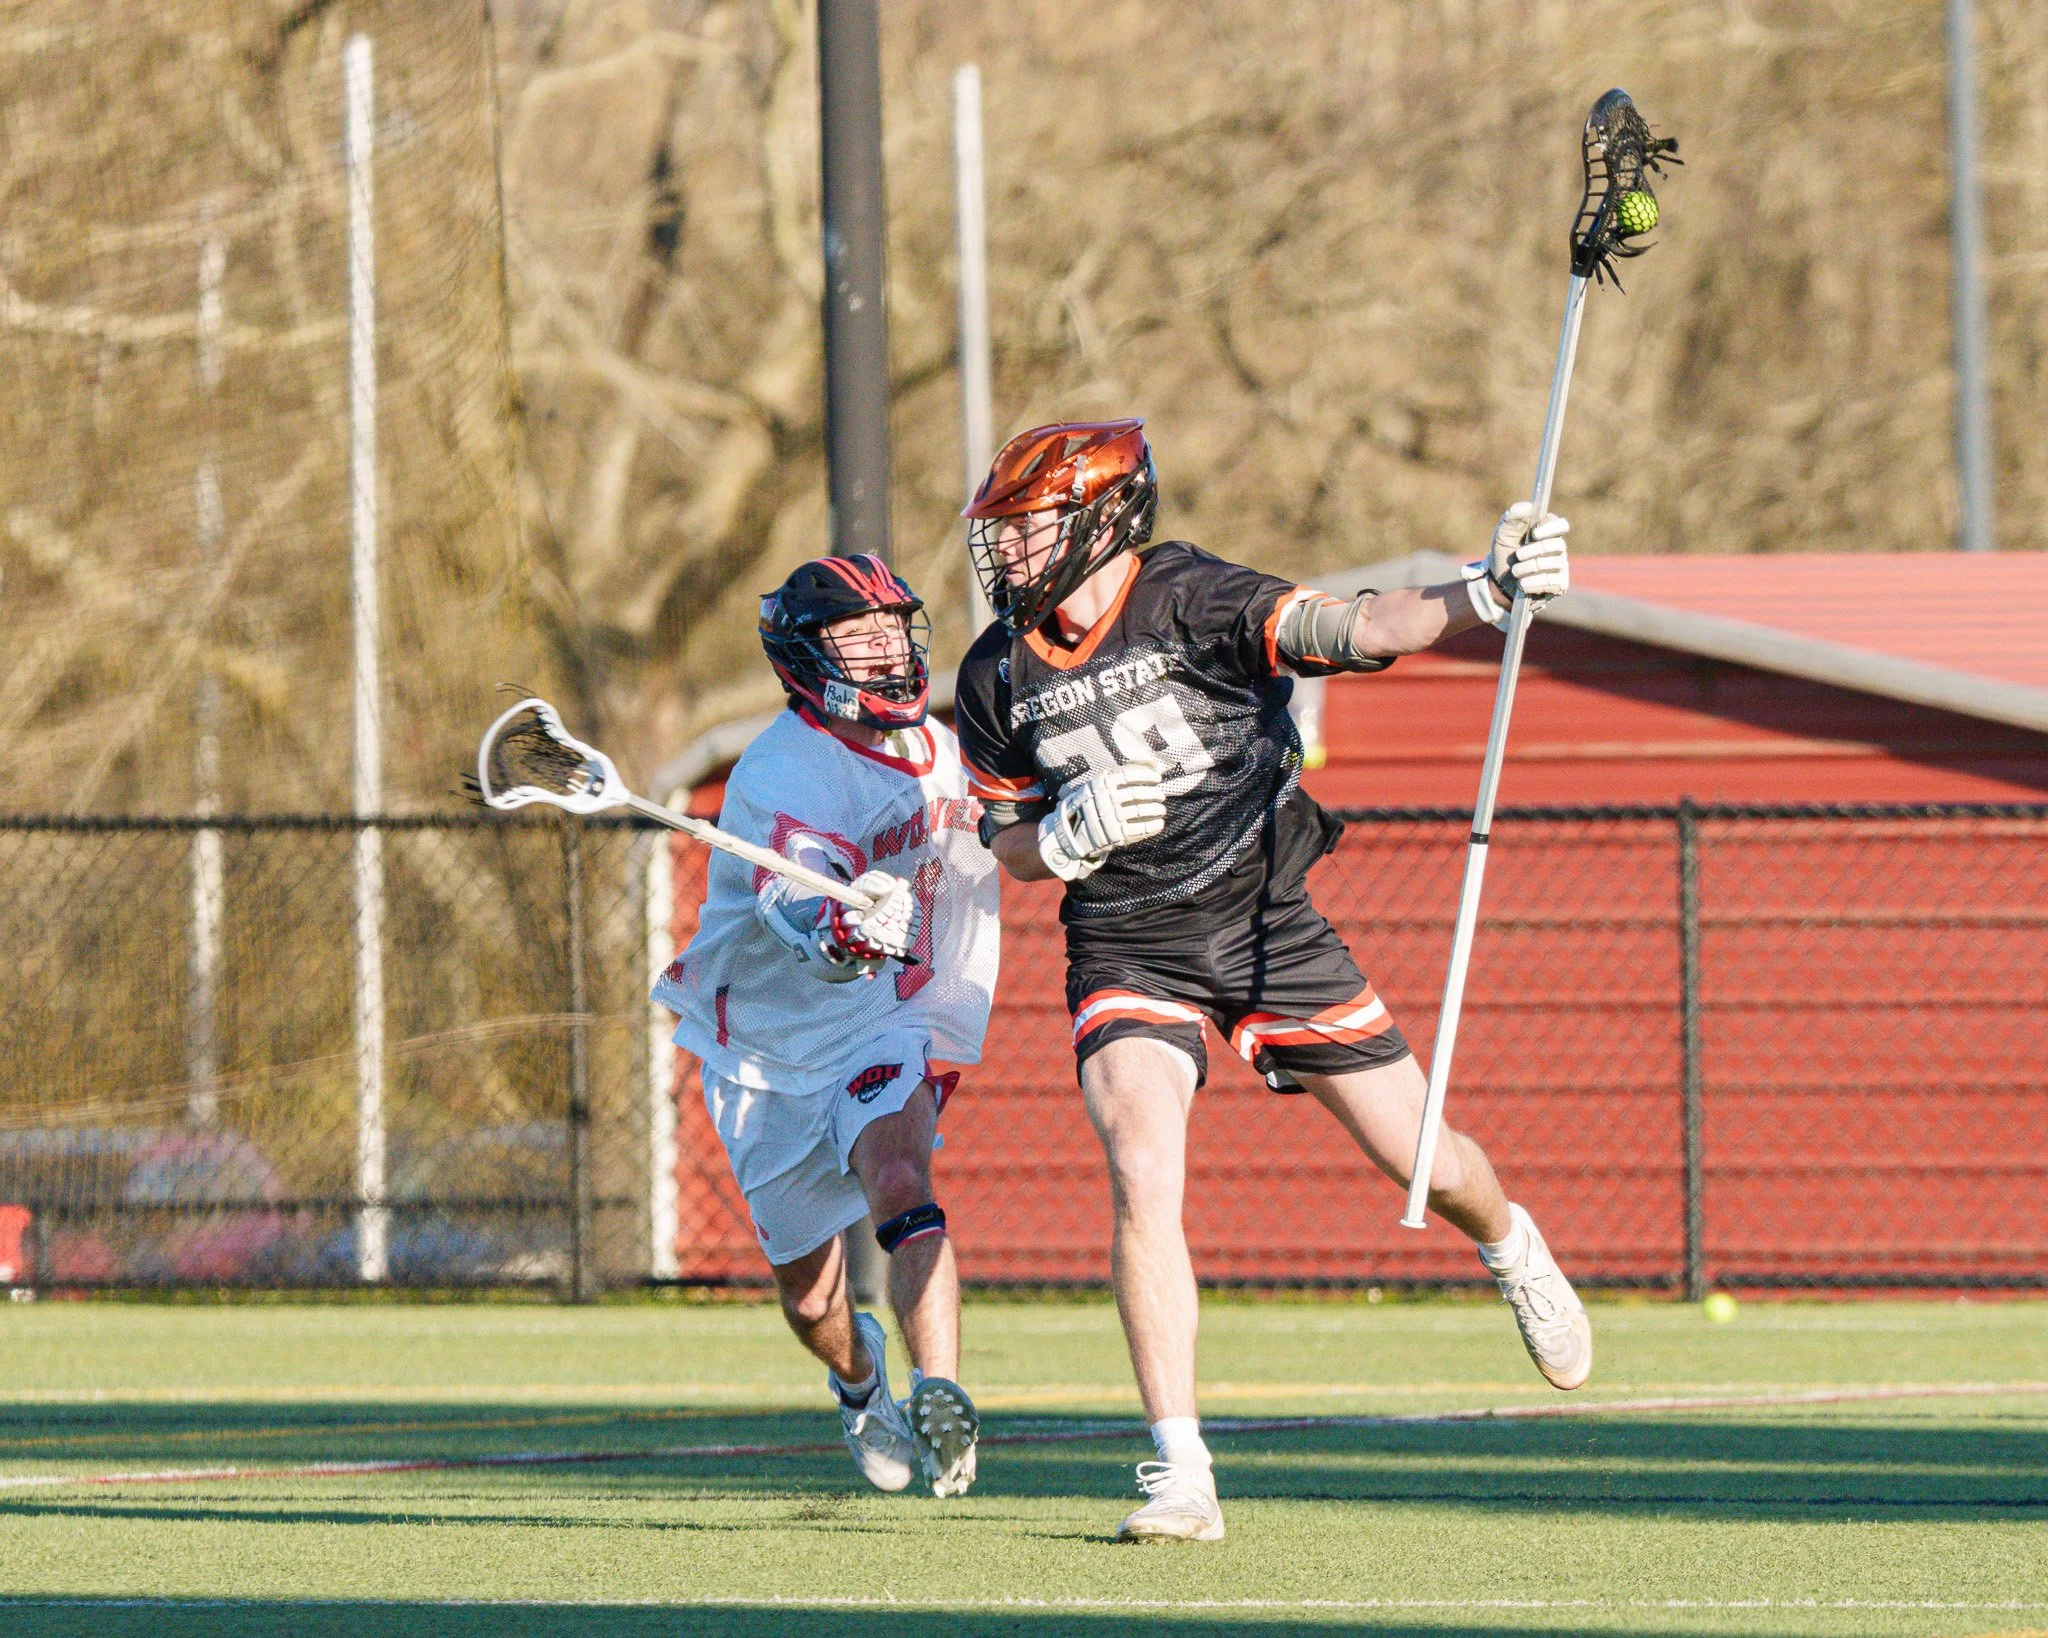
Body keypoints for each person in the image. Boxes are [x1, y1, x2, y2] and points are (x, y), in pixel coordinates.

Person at [952, 419, 1590, 1542]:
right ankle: (1182, 1472)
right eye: (998, 532)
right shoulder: (995, 673)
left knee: (1427, 1162)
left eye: (1028, 526)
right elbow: (1006, 839)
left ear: (1100, 520)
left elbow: (1355, 626)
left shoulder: (1190, 597)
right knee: (1140, 1168)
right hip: (1126, 940)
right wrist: (1055, 841)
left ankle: (1510, 1244)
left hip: (1262, 924)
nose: (1005, 552)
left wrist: (1484, 592)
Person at [654, 554, 999, 1499]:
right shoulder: (781, 771)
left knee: (901, 1180)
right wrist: (842, 926)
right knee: (812, 1300)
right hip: (765, 1051)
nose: (887, 648)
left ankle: (941, 1394)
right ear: (810, 657)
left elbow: (1006, 822)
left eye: (893, 626)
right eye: (860, 633)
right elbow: (794, 904)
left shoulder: (937, 749)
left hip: (879, 1019)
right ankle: (858, 1380)